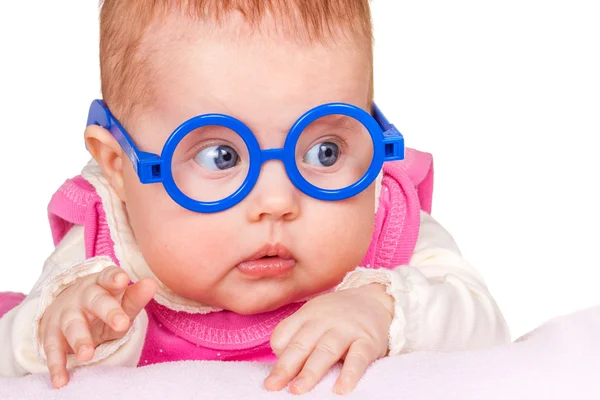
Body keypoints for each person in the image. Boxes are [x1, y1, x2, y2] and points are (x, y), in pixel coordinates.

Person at [0, 0, 510, 395]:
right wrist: (71, 330)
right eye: (221, 157)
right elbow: (9, 362)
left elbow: (486, 329)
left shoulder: (384, 224)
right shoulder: (104, 263)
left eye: (325, 150)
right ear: (121, 169)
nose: (276, 201)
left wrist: (387, 311)